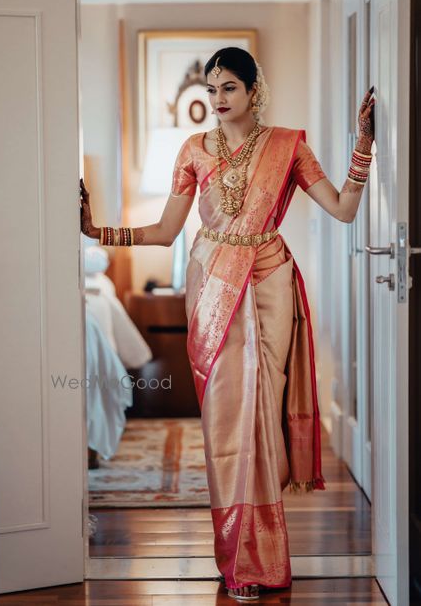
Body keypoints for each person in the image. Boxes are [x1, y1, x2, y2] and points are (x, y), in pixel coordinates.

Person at [80, 47, 375, 601]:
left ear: (253, 90)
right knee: (224, 423)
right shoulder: (193, 149)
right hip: (212, 286)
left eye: (229, 88)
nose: (217, 100)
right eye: (211, 90)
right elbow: (168, 230)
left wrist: (364, 147)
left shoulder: (290, 146)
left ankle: (261, 561)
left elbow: (343, 209)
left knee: (261, 415)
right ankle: (236, 557)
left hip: (268, 284)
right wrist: (100, 232)